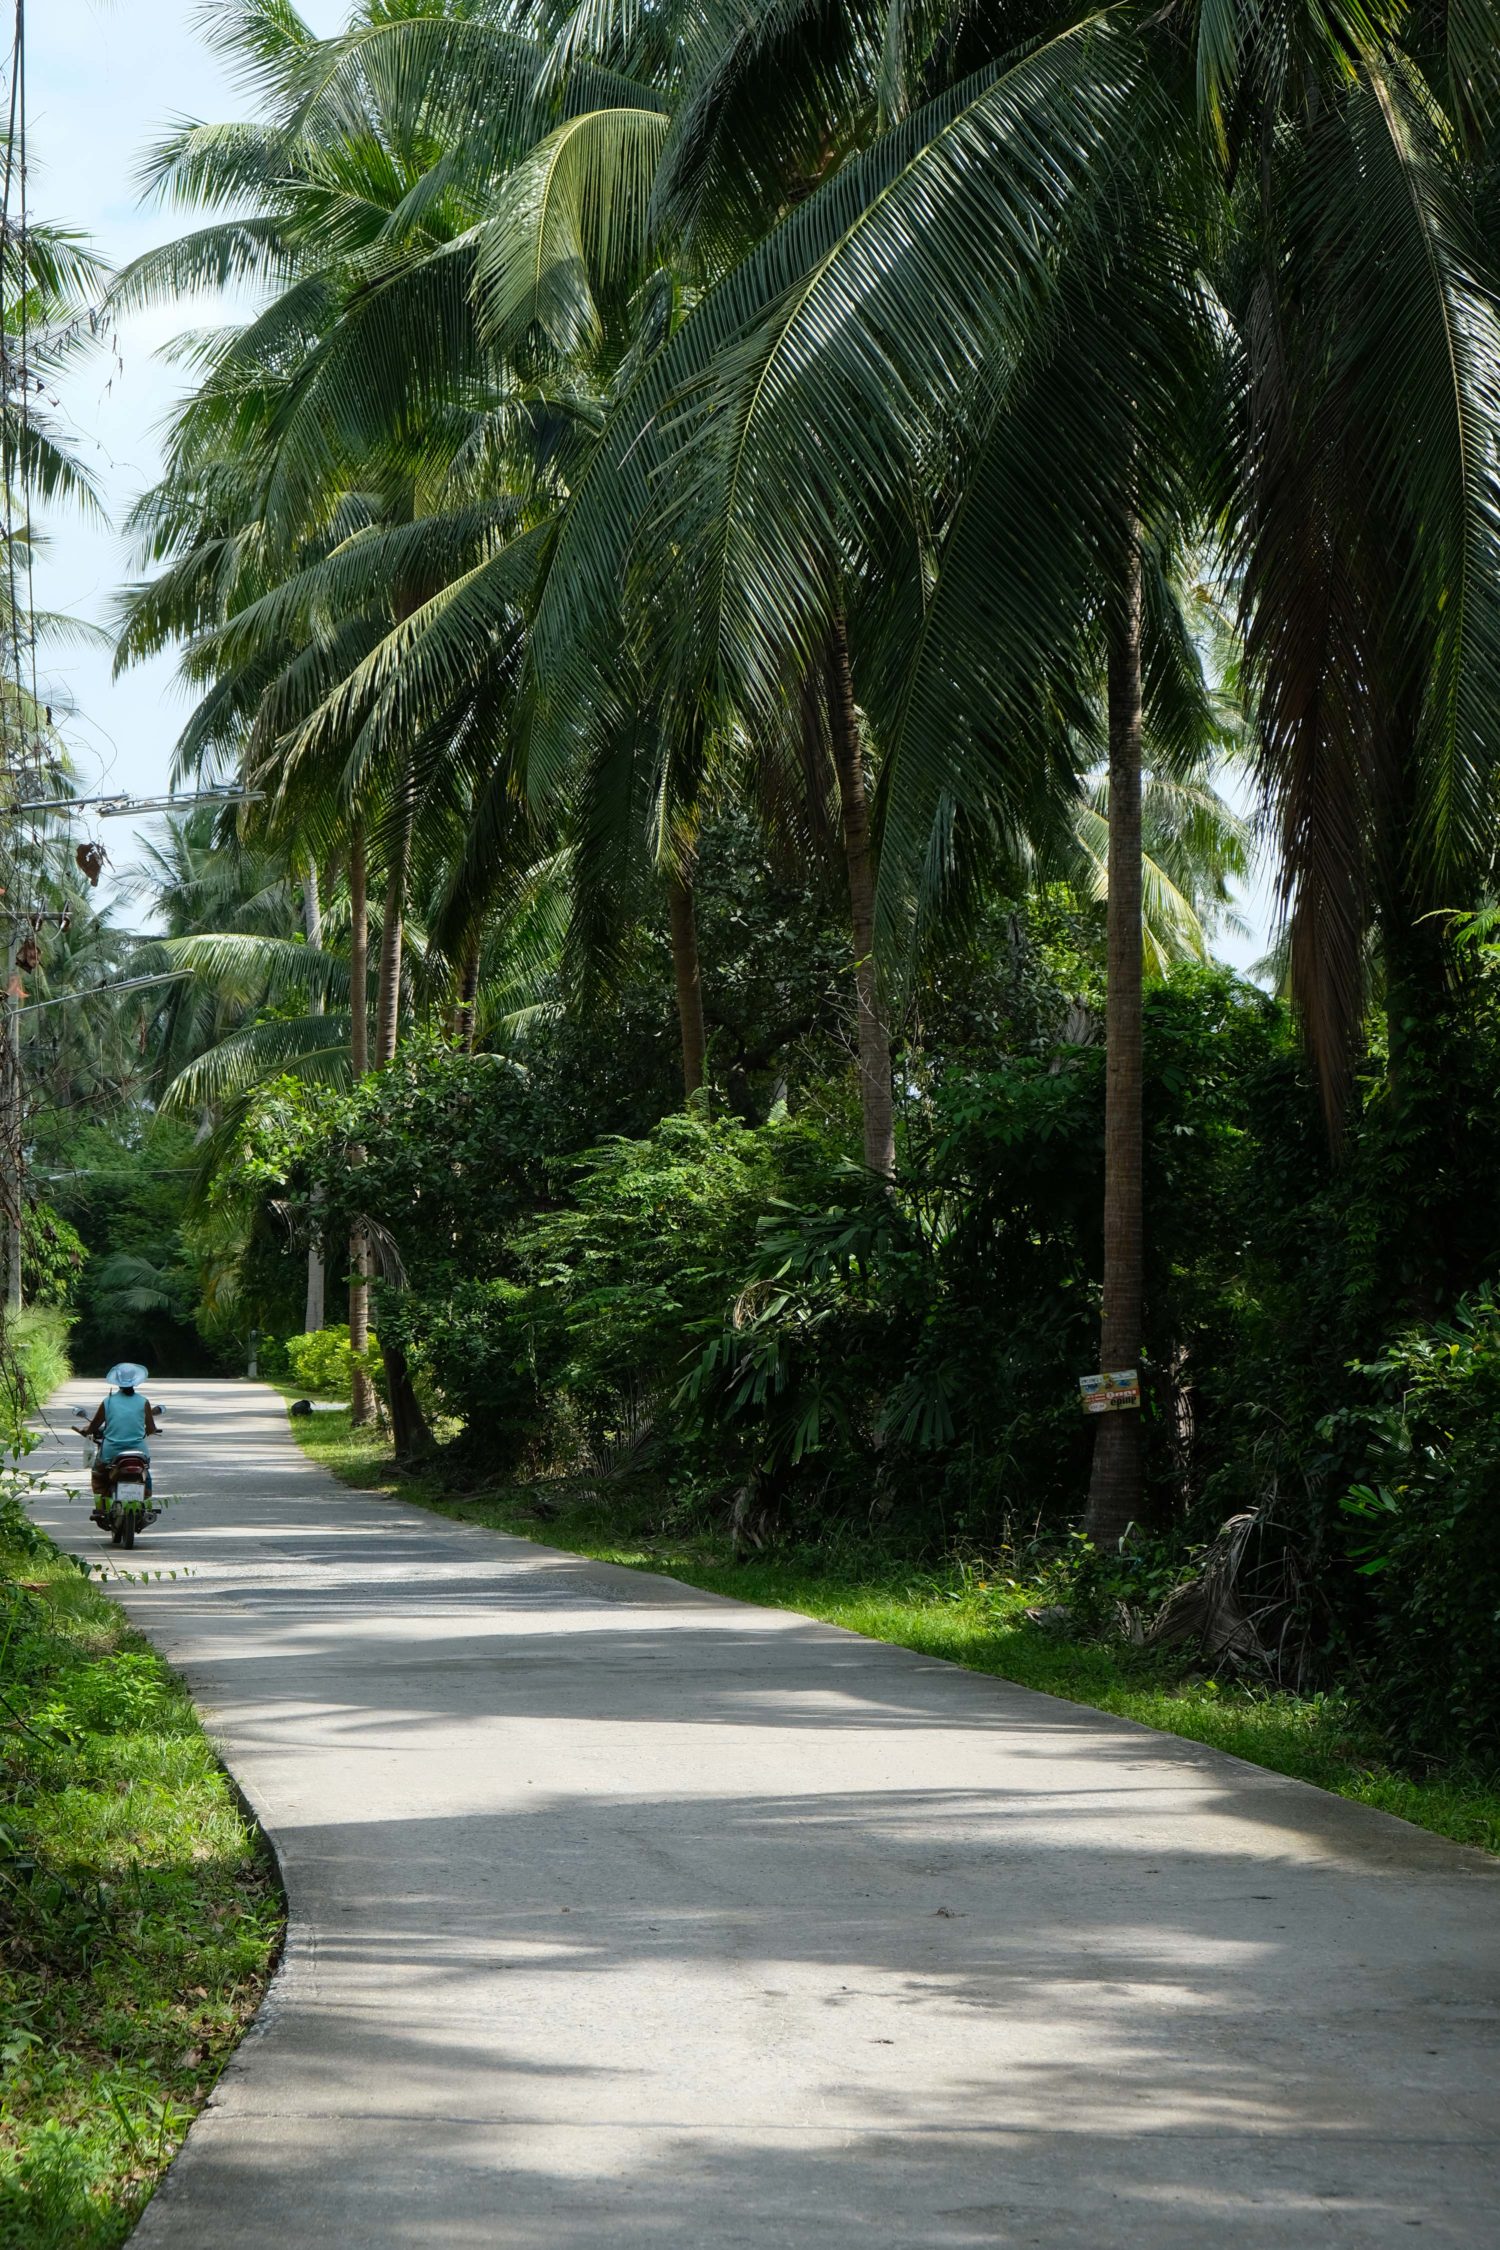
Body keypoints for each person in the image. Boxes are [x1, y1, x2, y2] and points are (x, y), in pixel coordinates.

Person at [83, 1363, 161, 1499]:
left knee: (98, 1475)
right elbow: (151, 1428)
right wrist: (147, 1431)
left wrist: (87, 1430)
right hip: (139, 1452)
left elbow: (94, 1426)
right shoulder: (143, 1402)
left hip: (110, 1453)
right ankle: (146, 1501)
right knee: (145, 1476)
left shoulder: (108, 1401)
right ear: (135, 1380)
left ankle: (101, 1507)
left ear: (117, 1381)